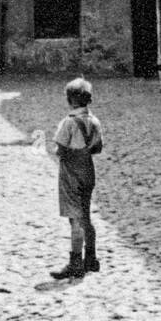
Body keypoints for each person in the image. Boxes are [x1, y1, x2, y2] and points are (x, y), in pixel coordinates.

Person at [50, 77, 103, 279]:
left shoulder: (69, 123)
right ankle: (91, 258)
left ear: (69, 99)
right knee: (86, 215)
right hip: (88, 170)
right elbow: (98, 148)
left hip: (71, 173)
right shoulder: (95, 122)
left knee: (75, 218)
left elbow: (60, 149)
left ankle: (75, 262)